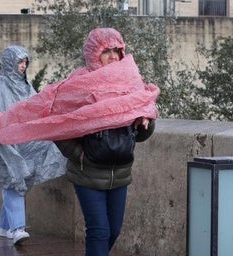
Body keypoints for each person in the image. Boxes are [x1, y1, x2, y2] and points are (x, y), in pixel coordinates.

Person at [53, 28, 156, 256]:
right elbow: (58, 126)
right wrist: (79, 154)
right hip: (88, 172)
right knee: (99, 230)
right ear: (93, 54)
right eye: (106, 51)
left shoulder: (131, 85)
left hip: (119, 172)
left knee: (114, 231)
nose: (113, 57)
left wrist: (145, 120)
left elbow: (141, 135)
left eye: (116, 51)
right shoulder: (79, 85)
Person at [0, 45, 67, 246]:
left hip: (26, 143)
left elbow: (37, 107)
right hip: (5, 145)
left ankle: (5, 226)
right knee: (13, 182)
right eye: (20, 62)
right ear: (10, 62)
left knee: (18, 183)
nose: (23, 66)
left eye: (25, 62)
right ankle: (18, 228)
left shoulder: (27, 87)